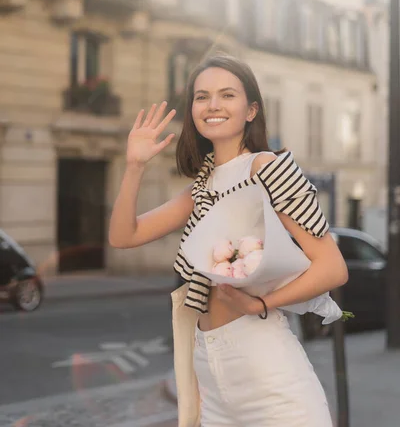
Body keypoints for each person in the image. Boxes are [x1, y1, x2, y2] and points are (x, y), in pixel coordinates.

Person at [109, 54, 348, 427]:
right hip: (210, 374)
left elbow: (333, 267)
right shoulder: (200, 188)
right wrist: (135, 167)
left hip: (269, 375)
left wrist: (262, 304)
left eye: (227, 95)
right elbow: (125, 236)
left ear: (251, 109)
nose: (213, 105)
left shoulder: (267, 168)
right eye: (202, 97)